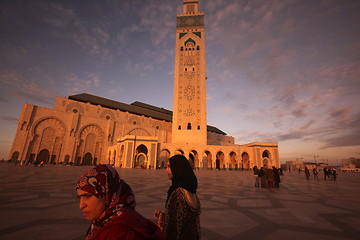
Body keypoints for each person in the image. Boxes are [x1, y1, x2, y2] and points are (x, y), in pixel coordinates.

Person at [76, 164, 164, 240]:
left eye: (87, 196)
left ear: (106, 194)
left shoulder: (122, 233)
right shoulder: (103, 221)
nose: (81, 205)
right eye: (80, 197)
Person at [154, 155, 201, 240]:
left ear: (177, 169)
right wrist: (161, 215)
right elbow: (180, 219)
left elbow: (172, 228)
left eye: (169, 167)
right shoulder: (191, 190)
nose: (166, 171)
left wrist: (160, 220)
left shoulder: (178, 194)